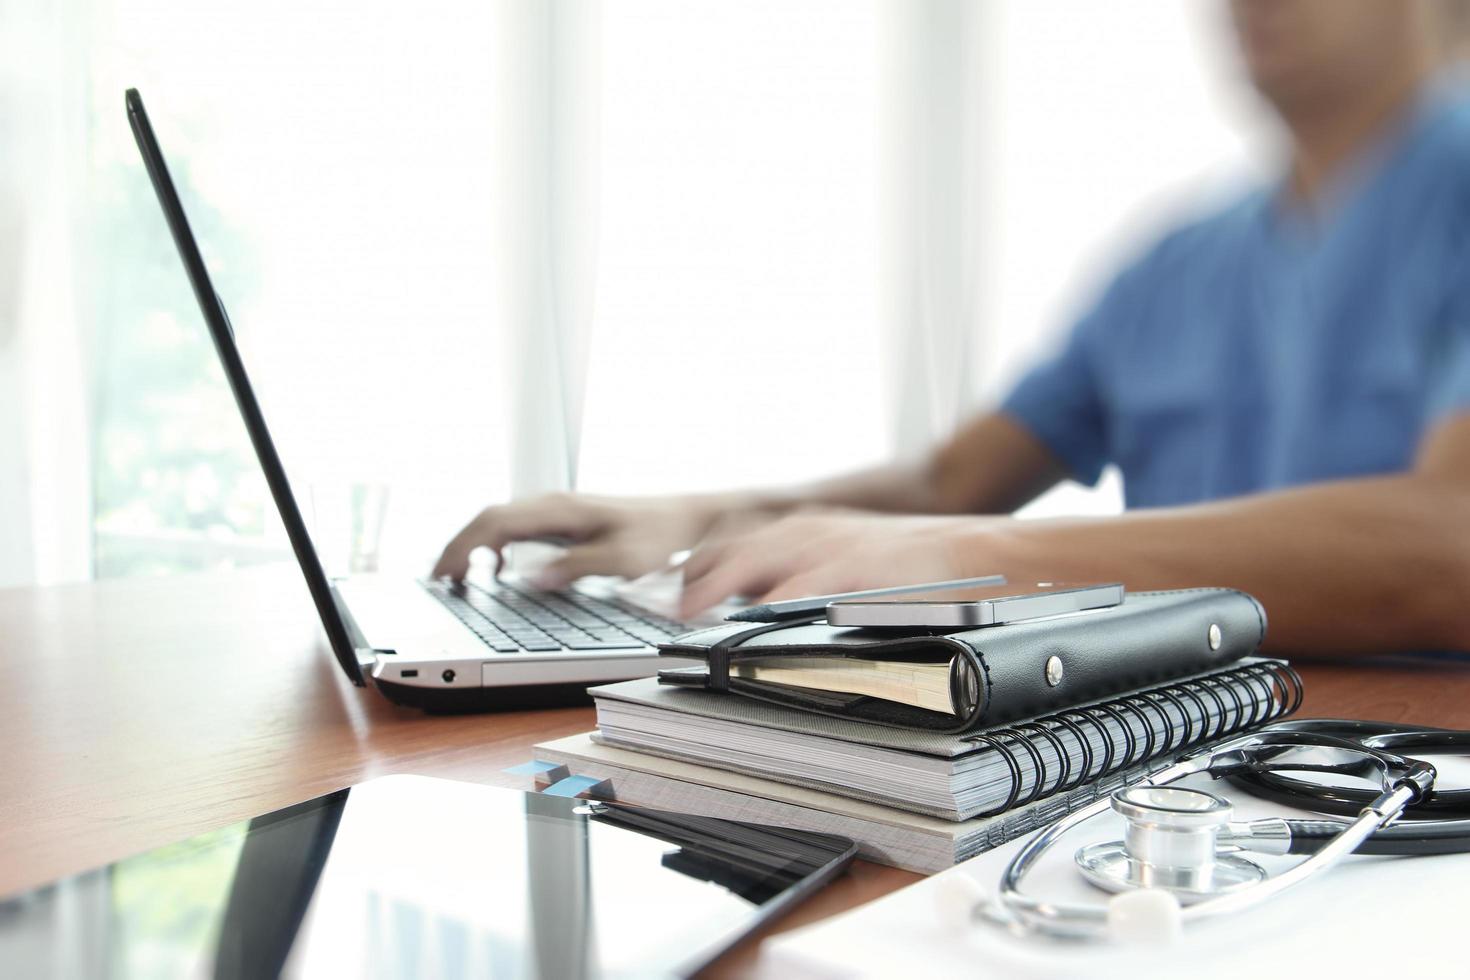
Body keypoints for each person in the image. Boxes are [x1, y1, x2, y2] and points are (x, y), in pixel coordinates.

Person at [436, 0, 1470, 656]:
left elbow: (1453, 542)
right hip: (1174, 752)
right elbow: (947, 486)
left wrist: (973, 558)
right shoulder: (1180, 258)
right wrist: (705, 516)